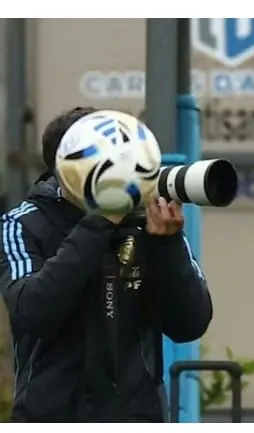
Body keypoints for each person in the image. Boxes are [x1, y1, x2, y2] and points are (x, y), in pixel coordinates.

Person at [0, 106, 213, 422]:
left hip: (139, 417)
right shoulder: (23, 223)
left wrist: (167, 245)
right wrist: (100, 221)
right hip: (51, 417)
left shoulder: (144, 221)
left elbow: (190, 324)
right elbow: (34, 310)